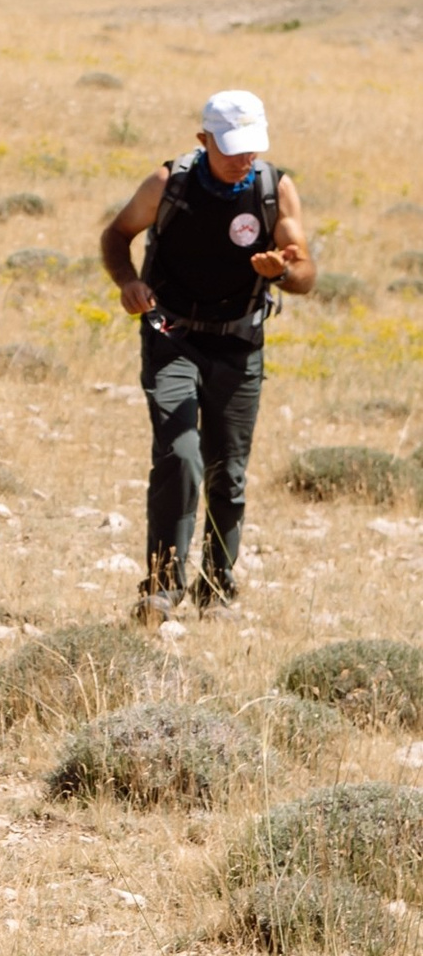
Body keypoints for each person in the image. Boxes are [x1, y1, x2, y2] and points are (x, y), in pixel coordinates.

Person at [101, 87, 313, 614]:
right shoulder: (167, 183)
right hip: (170, 334)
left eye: (252, 146)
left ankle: (217, 586)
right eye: (231, 146)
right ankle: (162, 585)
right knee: (180, 455)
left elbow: (305, 272)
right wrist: (128, 282)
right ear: (203, 139)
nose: (243, 157)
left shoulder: (273, 188)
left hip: (238, 343)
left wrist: (282, 272)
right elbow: (116, 235)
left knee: (229, 469)